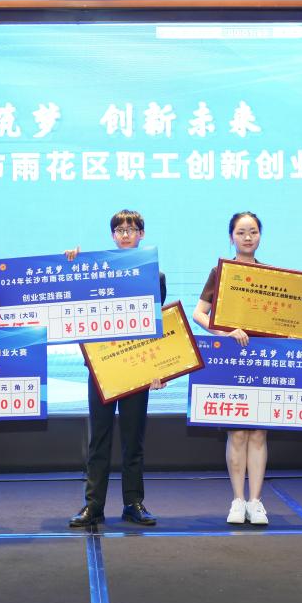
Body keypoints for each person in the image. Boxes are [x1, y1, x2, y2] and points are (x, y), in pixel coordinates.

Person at [68, 210, 167, 528]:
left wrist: (158, 368)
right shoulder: (95, 272)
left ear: (141, 234)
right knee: (99, 439)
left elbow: (155, 327)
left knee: (133, 440)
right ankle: (93, 505)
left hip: (136, 366)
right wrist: (73, 265)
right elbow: (74, 301)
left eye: (132, 229)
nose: (126, 234)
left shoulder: (155, 276)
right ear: (112, 236)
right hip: (102, 368)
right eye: (120, 230)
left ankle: (133, 503)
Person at [192, 212, 270, 526]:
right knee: (237, 432)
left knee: (259, 432)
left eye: (253, 232)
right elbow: (199, 313)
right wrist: (223, 333)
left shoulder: (272, 275)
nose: (247, 237)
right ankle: (238, 500)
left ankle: (256, 502)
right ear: (231, 237)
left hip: (263, 361)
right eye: (241, 232)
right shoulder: (220, 272)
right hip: (232, 362)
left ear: (260, 235)